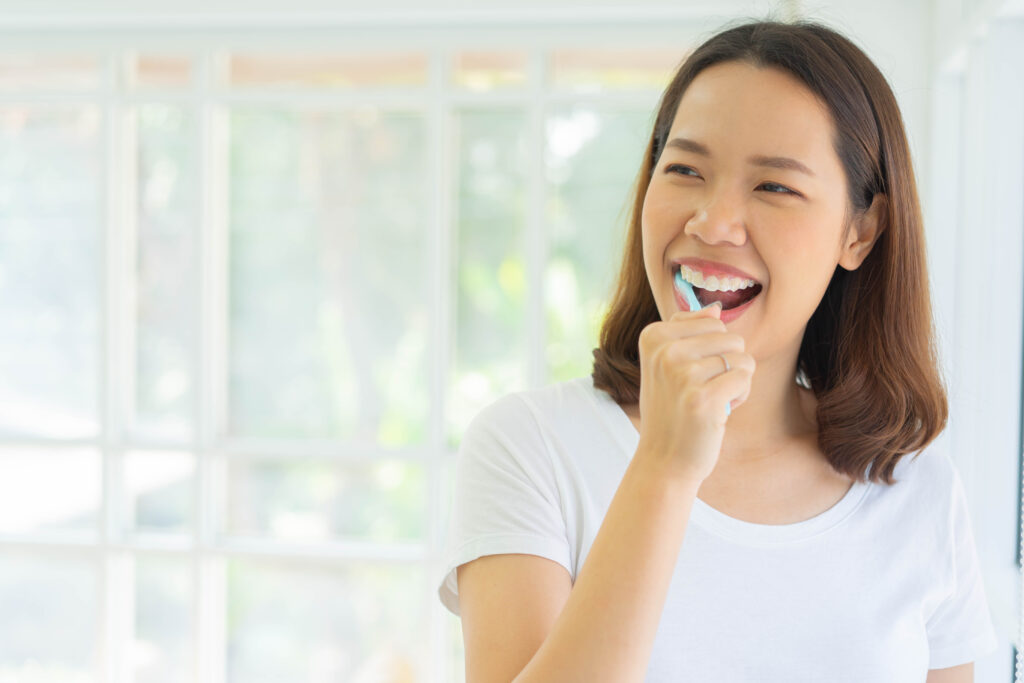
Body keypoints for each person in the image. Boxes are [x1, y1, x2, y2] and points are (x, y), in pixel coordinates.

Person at [436, 17, 999, 683]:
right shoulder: (530, 446)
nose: (711, 223)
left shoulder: (919, 492)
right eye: (684, 169)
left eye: (774, 186)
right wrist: (665, 467)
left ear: (861, 231)